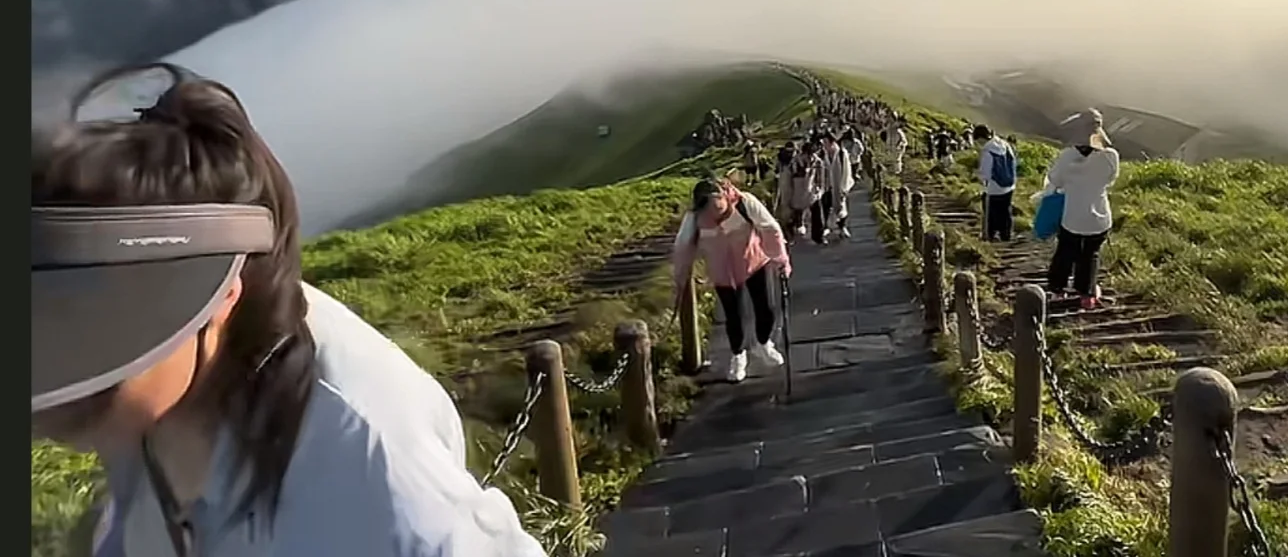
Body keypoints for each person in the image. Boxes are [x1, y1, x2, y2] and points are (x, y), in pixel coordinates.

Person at [31, 63, 547, 557]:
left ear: (221, 297)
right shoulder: (156, 390)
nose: (57, 385)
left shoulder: (367, 468)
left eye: (96, 346)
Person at [670, 177, 791, 383]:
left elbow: (770, 228)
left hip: (753, 263)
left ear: (725, 196)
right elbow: (683, 249)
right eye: (710, 212)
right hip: (723, 273)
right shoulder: (694, 218)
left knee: (766, 308)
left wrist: (780, 258)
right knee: (733, 315)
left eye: (719, 209)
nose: (715, 216)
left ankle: (763, 344)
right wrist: (681, 279)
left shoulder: (745, 203)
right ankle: (738, 355)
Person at [1041, 109, 1120, 311]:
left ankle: (1057, 289)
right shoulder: (1110, 156)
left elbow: (1055, 180)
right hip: (1100, 217)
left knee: (1066, 251)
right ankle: (1086, 294)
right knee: (1091, 254)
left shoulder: (1067, 157)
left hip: (1072, 216)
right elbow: (1110, 179)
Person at [973, 126, 1018, 243]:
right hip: (1009, 186)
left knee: (990, 213)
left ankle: (989, 236)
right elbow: (1013, 161)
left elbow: (986, 173)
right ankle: (1006, 235)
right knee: (1005, 212)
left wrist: (979, 177)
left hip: (993, 188)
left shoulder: (988, 150)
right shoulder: (1005, 144)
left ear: (981, 138)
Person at [814, 132, 855, 244]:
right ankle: (826, 227)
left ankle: (842, 227)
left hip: (838, 184)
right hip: (826, 186)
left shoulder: (842, 154)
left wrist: (844, 188)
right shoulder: (821, 154)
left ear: (832, 143)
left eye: (826, 143)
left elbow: (846, 171)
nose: (824, 145)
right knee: (825, 206)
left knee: (840, 207)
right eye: (823, 143)